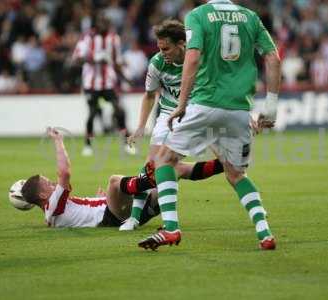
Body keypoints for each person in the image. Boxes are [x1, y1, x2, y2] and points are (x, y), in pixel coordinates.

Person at [138, 0, 281, 251]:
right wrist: (270, 105)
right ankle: (265, 233)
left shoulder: (198, 15)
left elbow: (192, 58)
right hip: (239, 109)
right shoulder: (251, 17)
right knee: (236, 174)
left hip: (205, 104)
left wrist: (181, 104)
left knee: (163, 159)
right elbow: (273, 57)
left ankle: (171, 229)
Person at [119, 19, 224, 231]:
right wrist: (141, 126)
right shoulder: (157, 63)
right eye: (159, 47)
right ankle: (136, 218)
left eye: (166, 48)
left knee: (230, 164)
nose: (162, 52)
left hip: (197, 115)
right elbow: (149, 96)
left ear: (182, 44)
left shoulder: (200, 59)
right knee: (153, 165)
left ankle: (256, 212)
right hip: (168, 115)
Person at [19, 128, 159, 228]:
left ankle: (150, 201)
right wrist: (58, 141)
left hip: (113, 212)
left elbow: (80, 213)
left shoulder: (52, 213)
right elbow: (64, 172)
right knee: (114, 181)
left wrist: (99, 199)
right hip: (112, 216)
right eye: (48, 184)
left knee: (169, 170)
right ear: (42, 194)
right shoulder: (52, 206)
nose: (53, 183)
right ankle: (146, 182)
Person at [72, 13, 133, 157]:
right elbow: (76, 60)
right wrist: (93, 59)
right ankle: (88, 145)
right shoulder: (86, 38)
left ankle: (127, 144)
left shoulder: (114, 39)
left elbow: (117, 62)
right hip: (90, 83)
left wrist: (126, 78)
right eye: (102, 23)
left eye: (107, 24)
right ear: (97, 24)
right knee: (92, 112)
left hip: (108, 82)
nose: (104, 27)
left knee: (119, 110)